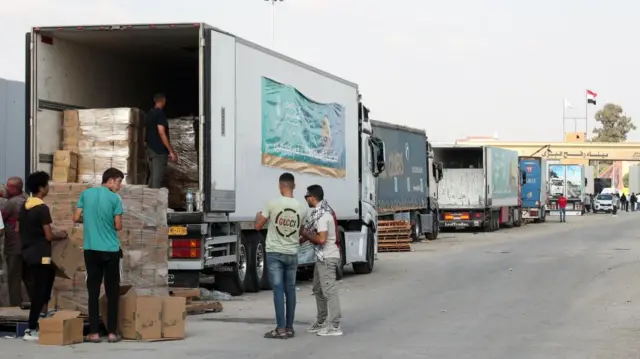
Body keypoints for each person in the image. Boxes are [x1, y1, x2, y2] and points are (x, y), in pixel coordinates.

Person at [73, 168, 124, 343]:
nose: (119, 185)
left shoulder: (86, 194)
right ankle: (111, 333)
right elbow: (118, 226)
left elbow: (76, 217)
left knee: (93, 292)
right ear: (110, 180)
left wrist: (90, 221)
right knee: (112, 291)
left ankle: (93, 333)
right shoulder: (115, 199)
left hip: (91, 250)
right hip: (111, 250)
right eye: (118, 181)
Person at [254, 172, 307, 339]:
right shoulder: (302, 207)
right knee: (290, 290)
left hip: (275, 253)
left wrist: (259, 215)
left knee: (278, 290)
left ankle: (280, 329)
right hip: (292, 253)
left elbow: (257, 226)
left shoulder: (272, 204)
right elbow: (300, 230)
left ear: (279, 186)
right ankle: (290, 328)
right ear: (294, 186)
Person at [19, 171, 67, 342]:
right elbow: (48, 235)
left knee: (45, 283)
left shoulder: (25, 206)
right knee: (41, 290)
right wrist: (60, 234)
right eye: (46, 184)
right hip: (42, 255)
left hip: (28, 253)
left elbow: (19, 230)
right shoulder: (42, 208)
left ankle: (42, 319)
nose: (48, 187)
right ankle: (31, 328)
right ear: (41, 188)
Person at [302, 185, 343, 337]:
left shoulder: (322, 215)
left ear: (312, 197)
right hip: (321, 257)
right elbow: (309, 235)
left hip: (327, 256)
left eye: (306, 196)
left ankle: (334, 325)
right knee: (318, 289)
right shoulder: (320, 213)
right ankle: (321, 321)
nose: (305, 199)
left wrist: (305, 233)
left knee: (329, 291)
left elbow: (321, 239)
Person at [1, 177, 29, 306]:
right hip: (27, 246)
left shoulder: (10, 203)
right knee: (27, 277)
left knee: (13, 278)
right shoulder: (27, 198)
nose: (6, 188)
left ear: (14, 188)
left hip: (14, 246)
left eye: (8, 186)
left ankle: (15, 306)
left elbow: (1, 220)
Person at [145, 93, 177, 188]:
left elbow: (145, 131)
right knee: (157, 181)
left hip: (150, 149)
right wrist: (171, 151)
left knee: (152, 177)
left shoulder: (149, 114)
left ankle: (148, 200)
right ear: (164, 100)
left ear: (155, 100)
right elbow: (161, 133)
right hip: (158, 151)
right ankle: (154, 202)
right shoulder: (160, 113)